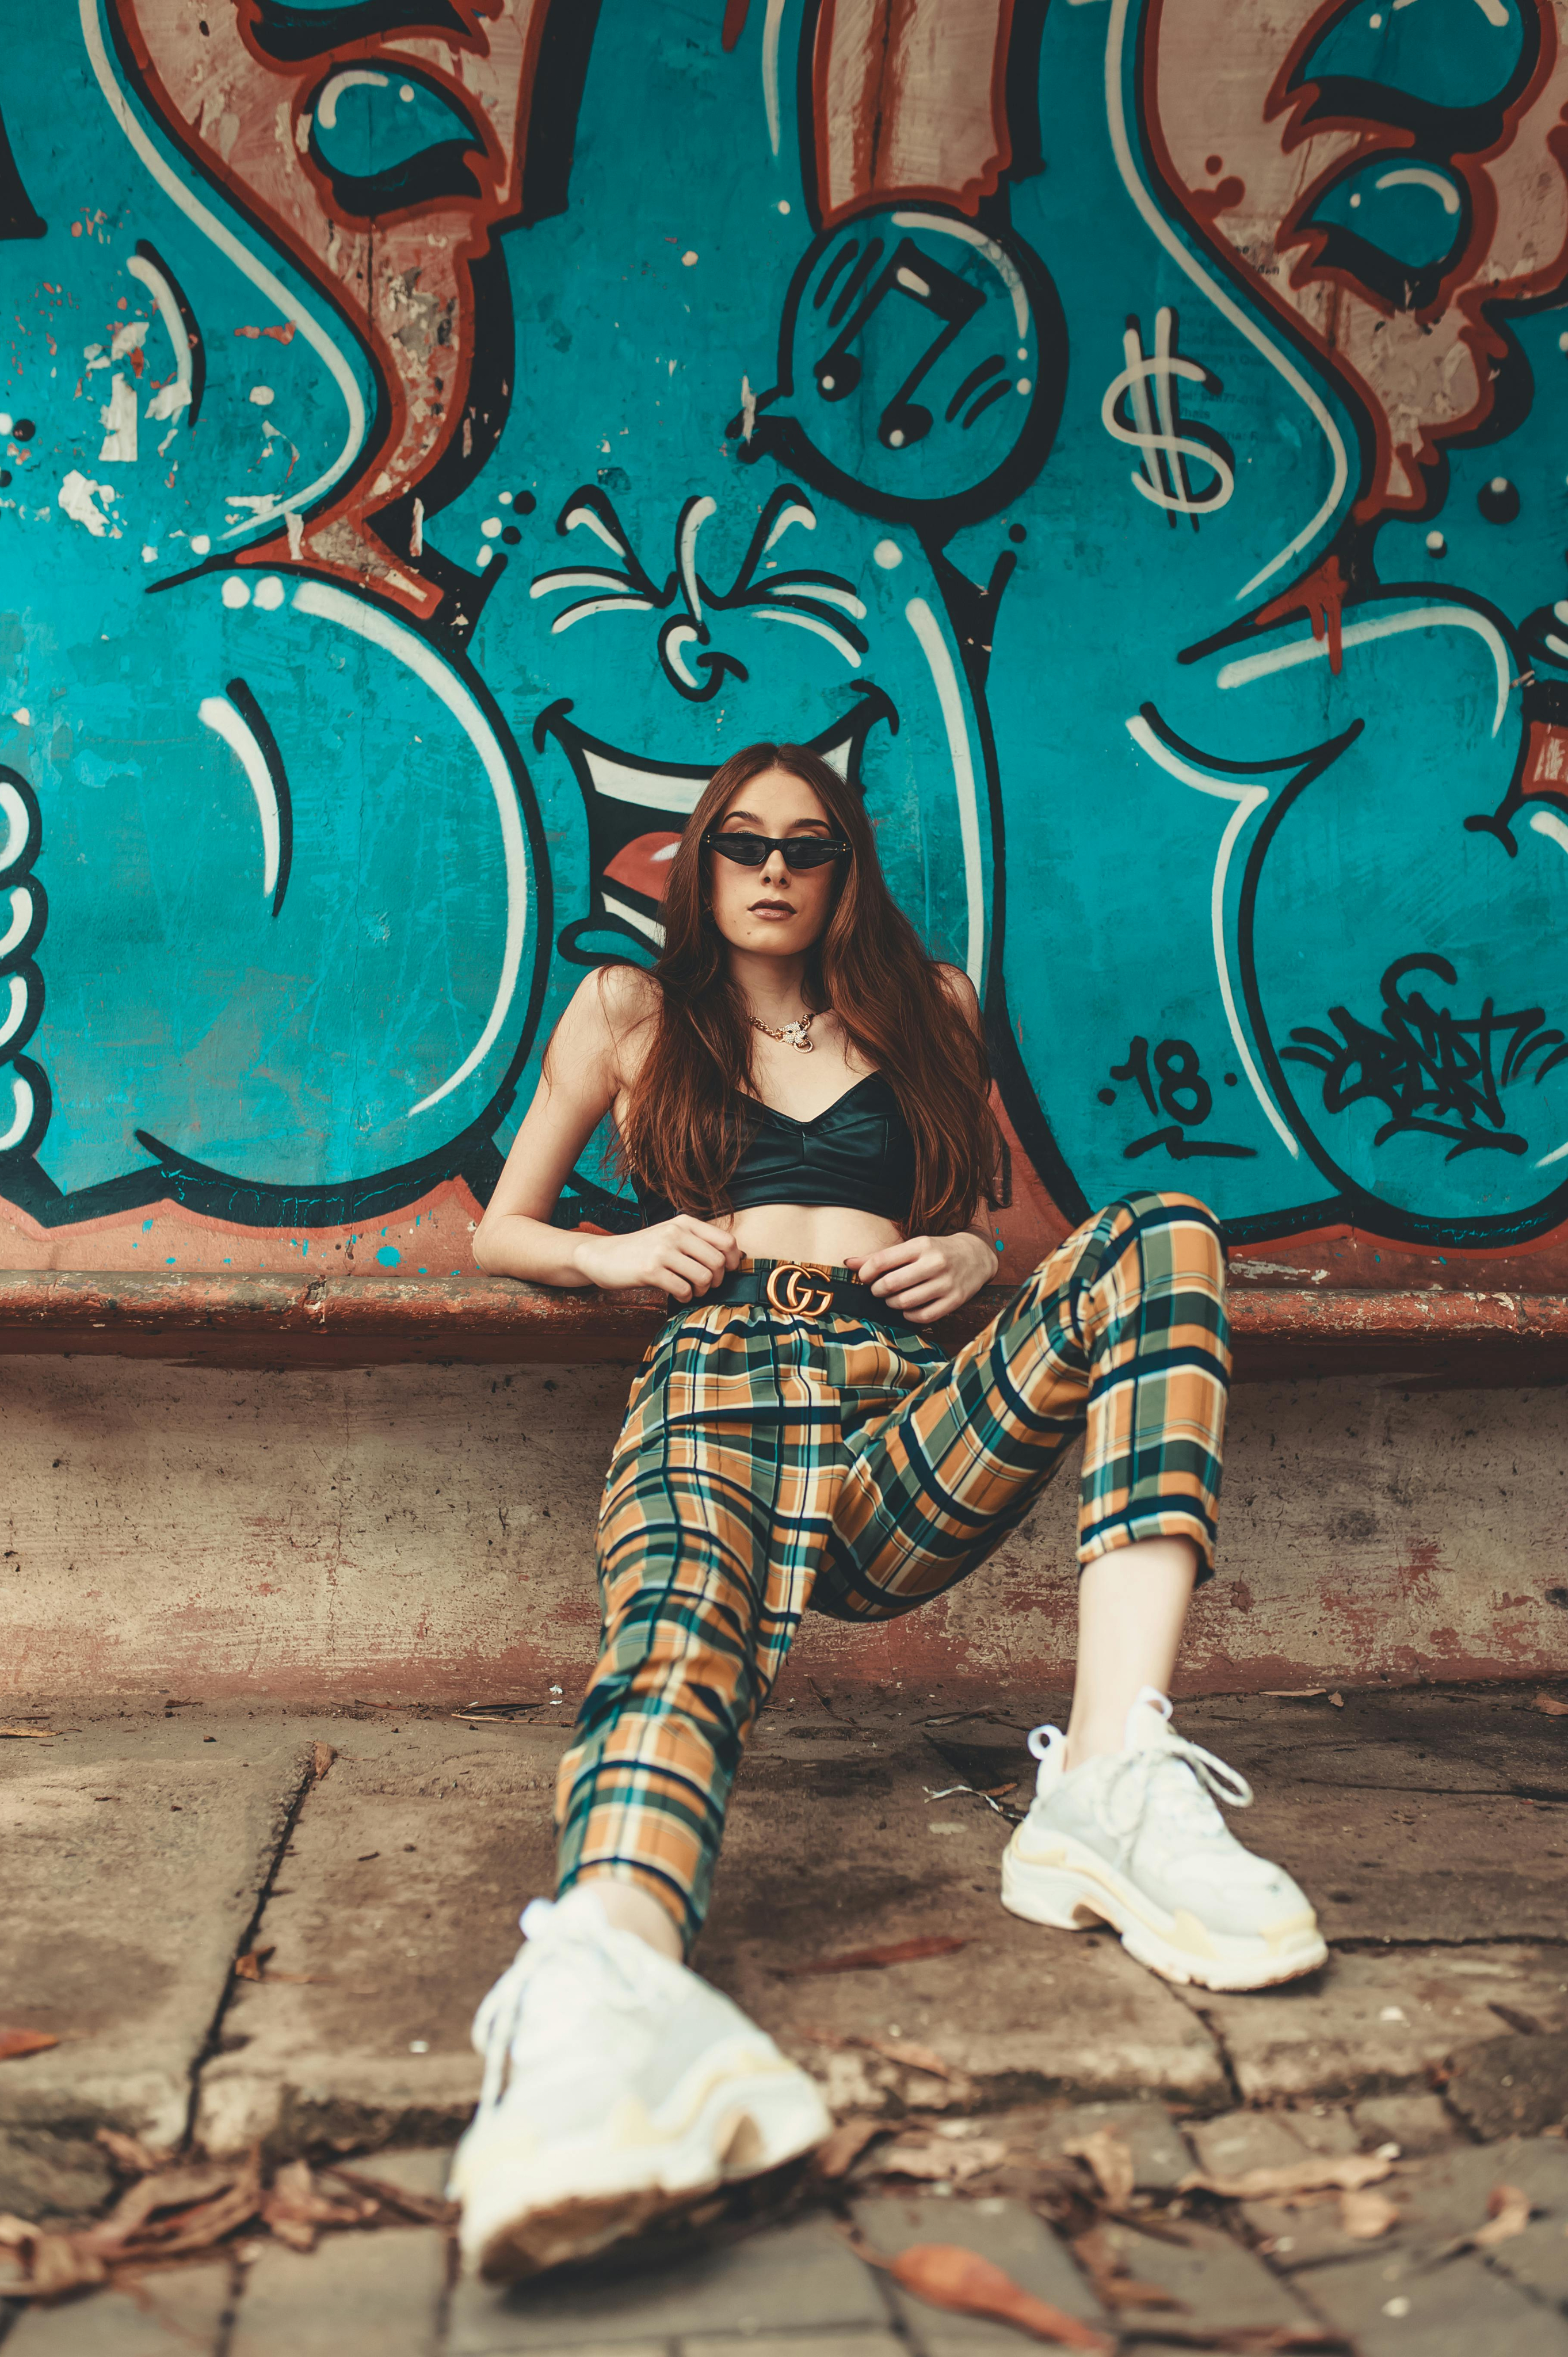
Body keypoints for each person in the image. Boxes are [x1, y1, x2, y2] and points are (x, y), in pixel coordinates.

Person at [451, 741, 1326, 2281]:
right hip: (716, 1382)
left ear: (844, 867)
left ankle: (1112, 1781)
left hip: (895, 1416)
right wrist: (606, 1256)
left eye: (807, 845)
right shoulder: (629, 1013)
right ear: (699, 860)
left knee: (1161, 1236)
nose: (774, 869)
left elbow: (977, 1219)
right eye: (741, 844)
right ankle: (604, 1992)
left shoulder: (927, 1007)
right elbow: (501, 1230)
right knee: (675, 1635)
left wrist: (984, 1263)